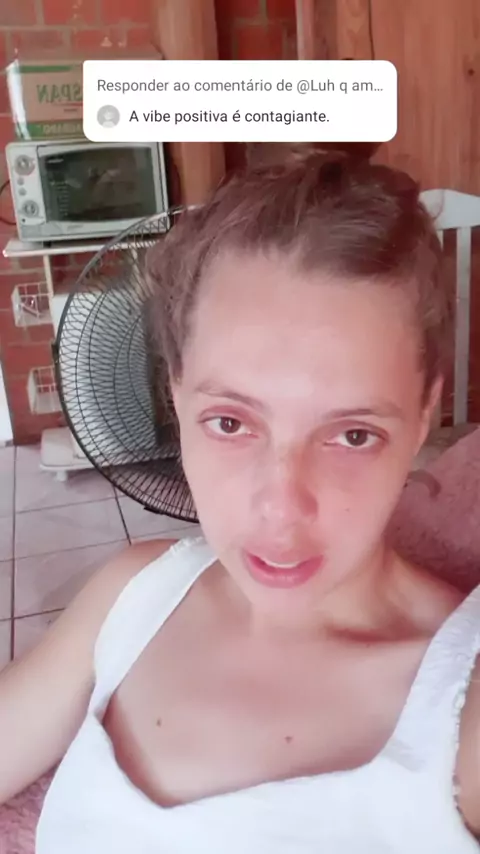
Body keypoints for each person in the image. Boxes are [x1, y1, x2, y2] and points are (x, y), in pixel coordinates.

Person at [1, 151, 479, 854]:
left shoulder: (463, 707)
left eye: (353, 434)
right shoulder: (133, 593)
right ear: (176, 395)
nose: (281, 509)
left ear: (423, 417)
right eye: (230, 422)